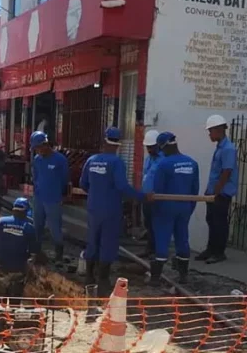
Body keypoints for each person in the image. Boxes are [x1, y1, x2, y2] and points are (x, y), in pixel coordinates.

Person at [79, 127, 146, 298]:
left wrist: (96, 192)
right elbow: (122, 186)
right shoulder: (117, 163)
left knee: (93, 240)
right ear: (118, 144)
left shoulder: (92, 160)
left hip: (94, 208)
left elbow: (83, 184)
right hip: (111, 209)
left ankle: (88, 277)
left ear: (104, 140)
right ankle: (102, 279)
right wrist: (141, 196)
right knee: (107, 243)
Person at [148, 132, 200, 285]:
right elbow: (194, 190)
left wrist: (154, 210)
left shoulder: (163, 165)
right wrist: (189, 209)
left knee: (162, 240)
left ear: (162, 147)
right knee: (182, 239)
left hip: (165, 207)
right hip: (184, 207)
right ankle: (183, 276)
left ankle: (155, 278)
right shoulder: (192, 163)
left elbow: (158, 190)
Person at [198, 115, 239, 264]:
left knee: (219, 222)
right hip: (214, 191)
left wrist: (216, 192)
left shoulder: (228, 148)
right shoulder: (221, 147)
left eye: (211, 131)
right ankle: (211, 249)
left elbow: (226, 172)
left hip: (222, 193)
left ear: (218, 130)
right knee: (211, 220)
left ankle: (219, 252)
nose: (210, 134)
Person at [0, 197, 40, 303]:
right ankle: (12, 314)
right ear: (26, 211)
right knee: (15, 300)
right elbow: (33, 252)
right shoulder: (29, 228)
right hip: (19, 269)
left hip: (1, 266)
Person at [29, 131, 70, 262]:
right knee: (37, 226)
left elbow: (65, 179)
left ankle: (58, 253)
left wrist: (61, 194)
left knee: (54, 228)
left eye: (39, 148)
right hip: (39, 198)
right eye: (36, 149)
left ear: (46, 145)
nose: (38, 151)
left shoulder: (60, 160)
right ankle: (36, 252)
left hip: (53, 199)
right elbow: (35, 176)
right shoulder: (37, 160)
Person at [141, 129, 161, 257]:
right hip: (146, 197)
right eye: (148, 147)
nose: (149, 149)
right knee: (148, 223)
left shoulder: (163, 160)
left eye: (151, 147)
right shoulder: (148, 159)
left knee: (157, 224)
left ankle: (157, 250)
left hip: (157, 198)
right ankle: (149, 248)